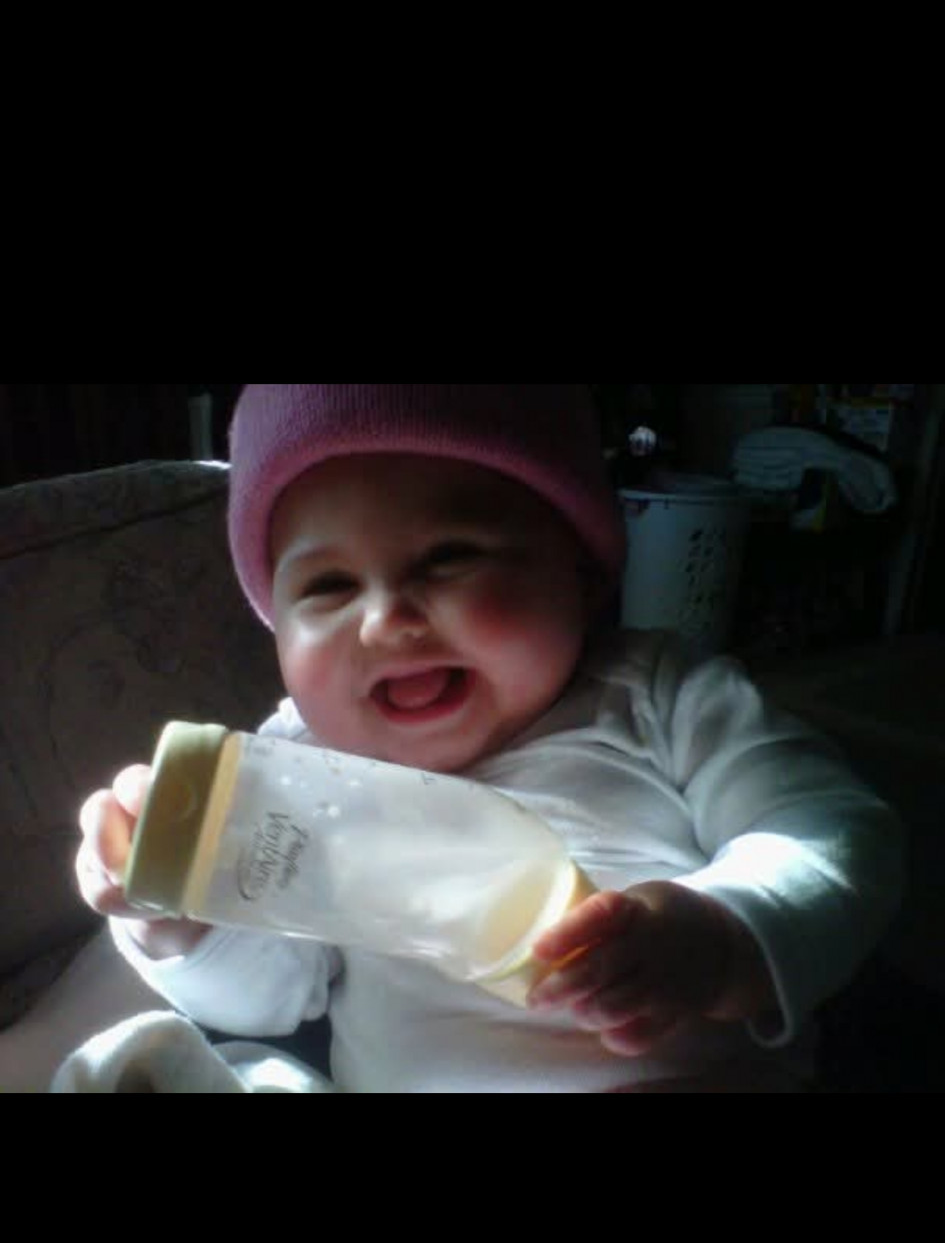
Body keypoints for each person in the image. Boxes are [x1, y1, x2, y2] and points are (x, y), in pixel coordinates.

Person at [74, 384, 905, 1093]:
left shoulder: (657, 697)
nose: (384, 619)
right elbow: (270, 999)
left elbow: (833, 832)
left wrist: (726, 935)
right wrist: (176, 917)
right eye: (327, 585)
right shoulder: (296, 769)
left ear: (579, 572)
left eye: (447, 557)